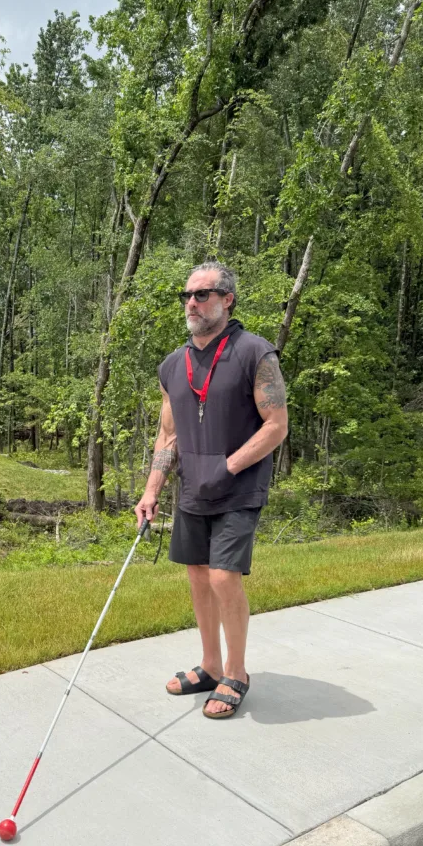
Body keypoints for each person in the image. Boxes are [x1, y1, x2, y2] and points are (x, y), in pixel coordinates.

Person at [135, 261, 288, 719]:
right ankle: (210, 665)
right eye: (187, 295)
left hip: (240, 486)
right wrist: (151, 489)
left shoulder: (255, 353)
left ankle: (236, 673)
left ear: (227, 299)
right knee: (198, 575)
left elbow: (276, 425)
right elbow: (168, 435)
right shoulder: (171, 366)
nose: (192, 303)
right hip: (193, 489)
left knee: (223, 575)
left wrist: (229, 466)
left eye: (202, 294)